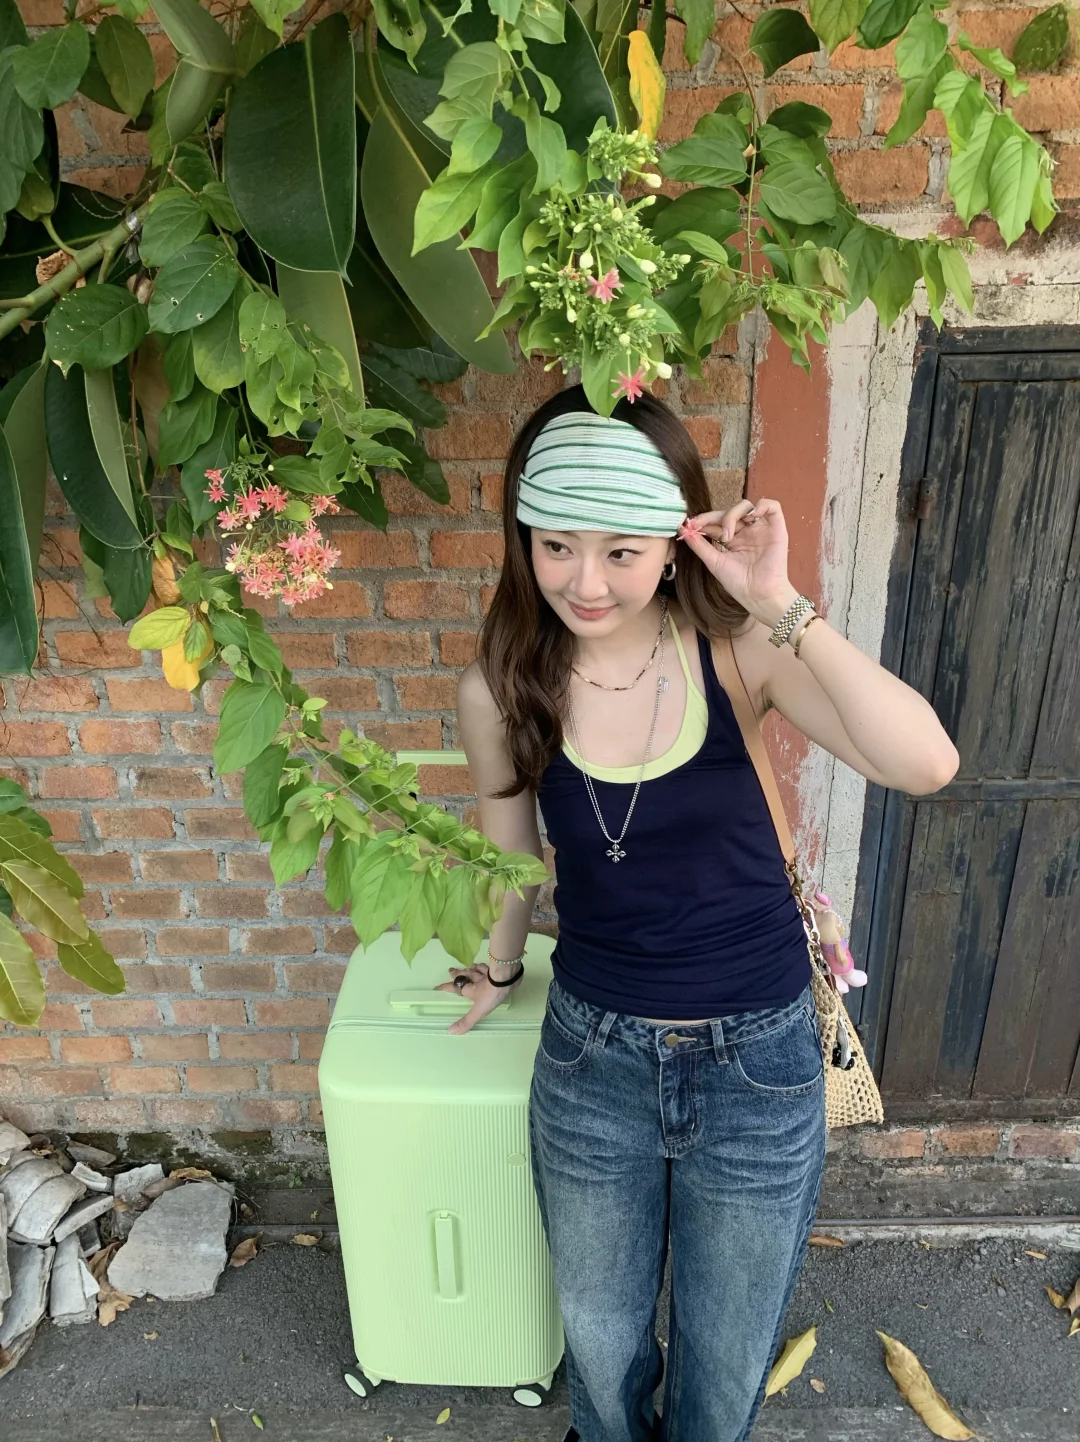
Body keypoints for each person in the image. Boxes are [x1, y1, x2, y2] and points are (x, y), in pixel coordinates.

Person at [435, 383, 959, 1442]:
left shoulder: (742, 650)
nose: (586, 581)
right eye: (556, 546)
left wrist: (781, 603)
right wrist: (497, 968)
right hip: (592, 1061)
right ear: (523, 539)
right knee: (601, 1342)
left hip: (758, 1064)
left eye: (621, 551)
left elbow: (926, 763)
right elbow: (512, 855)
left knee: (724, 1359)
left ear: (675, 542)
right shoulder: (502, 685)